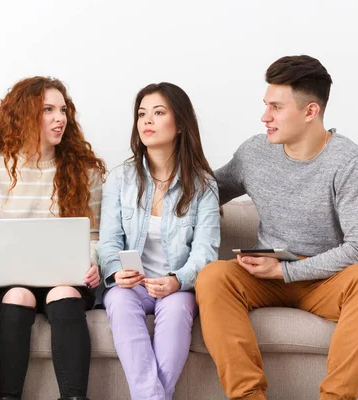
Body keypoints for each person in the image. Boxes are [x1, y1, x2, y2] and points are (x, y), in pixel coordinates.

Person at [195, 55, 358, 400]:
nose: (264, 117)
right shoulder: (255, 152)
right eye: (265, 105)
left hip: (326, 280)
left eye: (275, 107)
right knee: (213, 277)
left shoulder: (351, 163)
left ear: (310, 111)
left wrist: (287, 271)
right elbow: (203, 196)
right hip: (263, 278)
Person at [0, 76, 106, 400]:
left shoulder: (86, 171)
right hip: (11, 279)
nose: (60, 118)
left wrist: (93, 261)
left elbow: (96, 234)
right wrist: (5, 258)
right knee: (18, 295)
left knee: (63, 292)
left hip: (67, 277)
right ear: (24, 114)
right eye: (48, 109)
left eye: (62, 110)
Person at [97, 82, 220, 400]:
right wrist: (115, 272)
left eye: (158, 112)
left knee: (179, 310)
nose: (146, 121)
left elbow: (205, 252)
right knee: (119, 301)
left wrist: (177, 281)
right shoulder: (119, 178)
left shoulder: (203, 185)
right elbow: (108, 241)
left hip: (176, 287)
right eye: (141, 114)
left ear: (179, 124)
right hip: (132, 285)